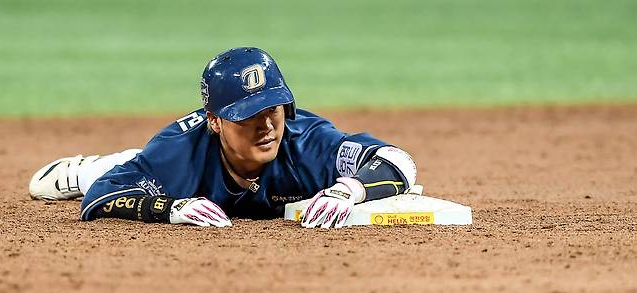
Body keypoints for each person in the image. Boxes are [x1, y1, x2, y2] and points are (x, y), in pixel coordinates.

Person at [29, 47, 417, 229]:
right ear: (215, 121)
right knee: (115, 172)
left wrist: (349, 189)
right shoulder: (175, 156)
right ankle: (99, 162)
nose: (266, 126)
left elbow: (398, 161)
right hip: (167, 170)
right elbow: (100, 197)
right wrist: (167, 208)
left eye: (273, 109)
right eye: (249, 115)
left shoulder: (308, 142)